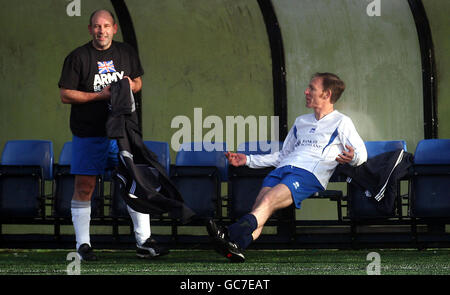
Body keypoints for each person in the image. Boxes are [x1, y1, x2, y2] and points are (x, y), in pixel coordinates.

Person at [207, 72, 368, 262]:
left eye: (312, 89)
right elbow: (283, 155)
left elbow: (361, 154)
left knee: (267, 201)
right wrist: (248, 160)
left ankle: (228, 233)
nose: (306, 91)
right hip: (283, 168)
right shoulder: (301, 121)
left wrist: (353, 157)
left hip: (309, 174)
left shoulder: (342, 122)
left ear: (327, 94)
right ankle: (236, 246)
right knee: (259, 208)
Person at [58, 9, 167, 261]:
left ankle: (144, 242)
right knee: (85, 186)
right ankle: (83, 246)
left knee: (134, 182)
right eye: (97, 26)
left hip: (123, 132)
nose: (102, 31)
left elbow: (138, 83)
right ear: (89, 29)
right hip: (89, 133)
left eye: (106, 26)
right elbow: (65, 95)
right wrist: (102, 95)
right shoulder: (78, 57)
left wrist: (128, 85)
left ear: (114, 28)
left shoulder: (126, 52)